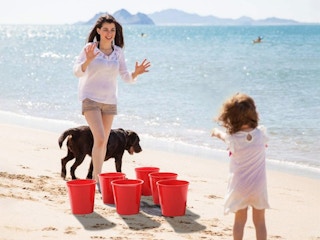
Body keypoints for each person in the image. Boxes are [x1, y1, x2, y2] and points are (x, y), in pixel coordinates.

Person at [73, 14, 151, 190]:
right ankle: (97, 180)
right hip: (90, 98)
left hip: (109, 102)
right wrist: (88, 60)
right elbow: (77, 72)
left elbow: (126, 77)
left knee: (102, 141)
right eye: (106, 29)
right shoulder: (90, 48)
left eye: (113, 30)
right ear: (99, 31)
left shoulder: (118, 52)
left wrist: (136, 73)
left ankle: (96, 178)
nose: (109, 33)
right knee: (100, 138)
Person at [211, 93, 269, 240]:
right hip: (258, 186)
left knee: (239, 221)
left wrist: (216, 132)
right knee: (260, 222)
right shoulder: (261, 135)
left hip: (240, 187)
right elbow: (264, 143)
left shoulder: (233, 139)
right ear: (253, 114)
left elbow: (223, 136)